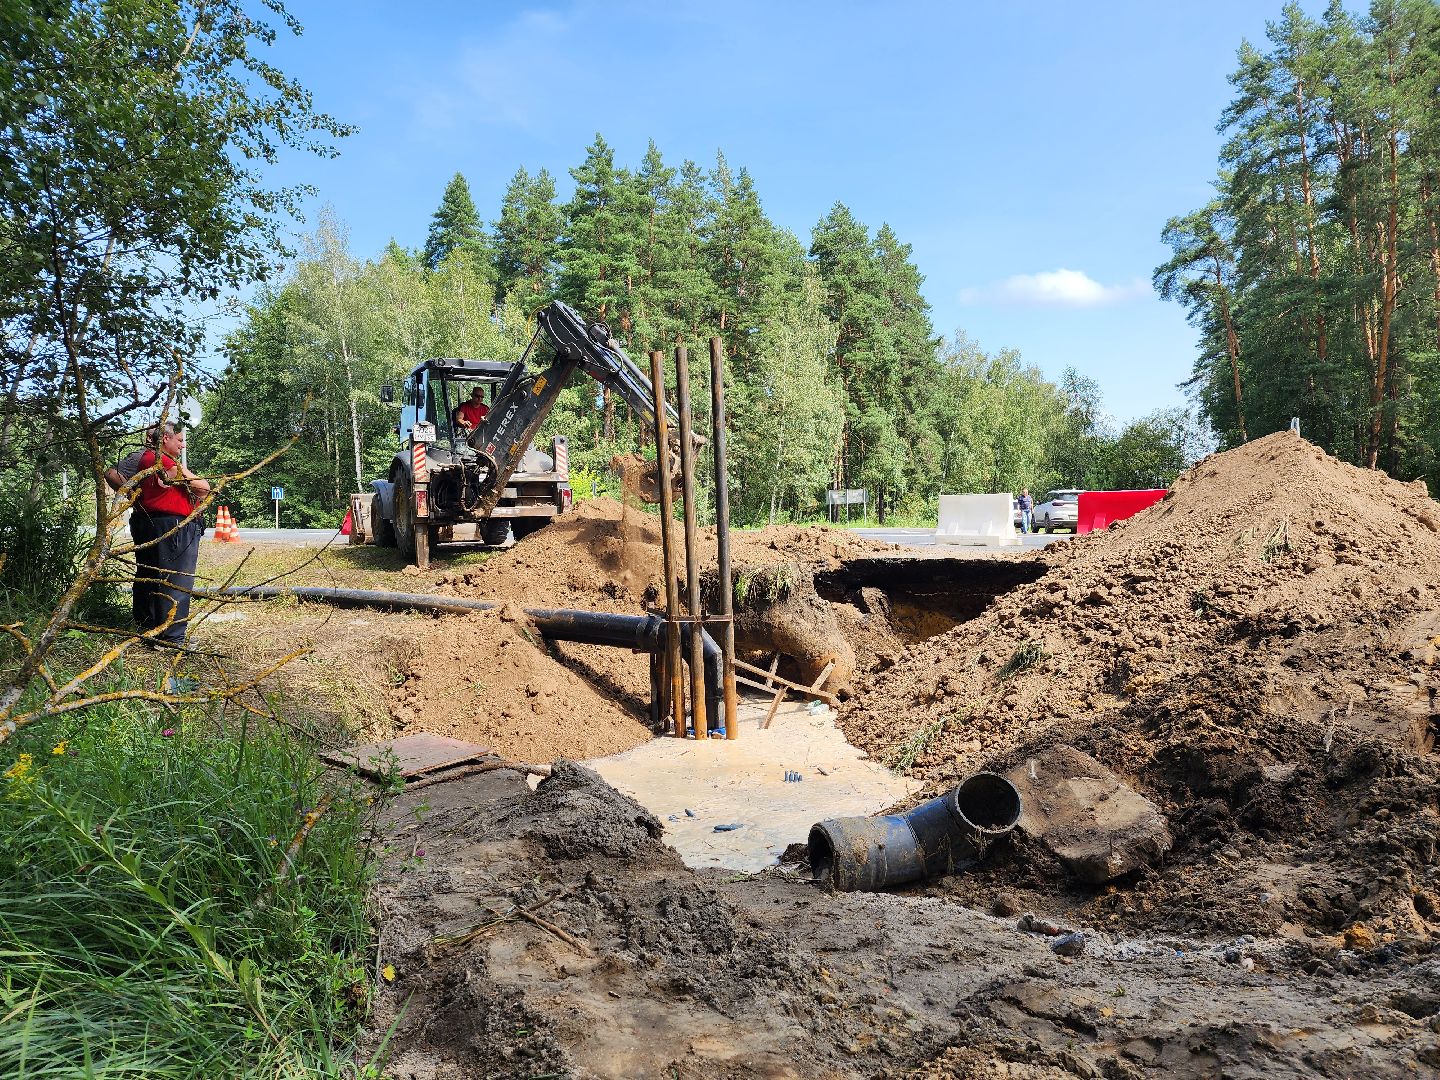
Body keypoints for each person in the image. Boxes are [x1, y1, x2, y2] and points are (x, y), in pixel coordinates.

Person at [133, 424, 210, 645]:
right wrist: (185, 473)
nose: (182, 445)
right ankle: (172, 637)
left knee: (151, 577)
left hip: (151, 522)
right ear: (165, 438)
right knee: (176, 580)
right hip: (173, 526)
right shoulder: (164, 462)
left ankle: (150, 630)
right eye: (180, 440)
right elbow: (204, 488)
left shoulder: (145, 459)